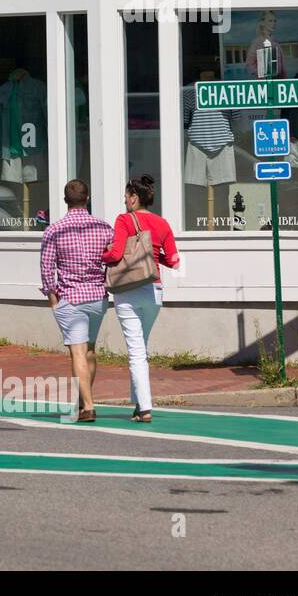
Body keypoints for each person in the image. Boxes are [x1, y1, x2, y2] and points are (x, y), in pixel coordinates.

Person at [102, 174, 180, 424]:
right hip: (154, 289)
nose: (125, 201)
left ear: (134, 198)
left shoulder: (124, 219)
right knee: (141, 348)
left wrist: (98, 256)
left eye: (126, 197)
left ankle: (145, 407)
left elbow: (115, 254)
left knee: (136, 351)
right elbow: (173, 260)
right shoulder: (163, 223)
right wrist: (154, 257)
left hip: (128, 290)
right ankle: (138, 404)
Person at [39, 179, 114, 423]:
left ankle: (88, 406)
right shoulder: (104, 228)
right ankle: (84, 402)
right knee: (90, 349)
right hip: (96, 296)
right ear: (87, 198)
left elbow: (46, 267)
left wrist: (52, 297)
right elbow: (113, 259)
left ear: (65, 201)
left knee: (77, 352)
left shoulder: (55, 229)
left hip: (70, 297)